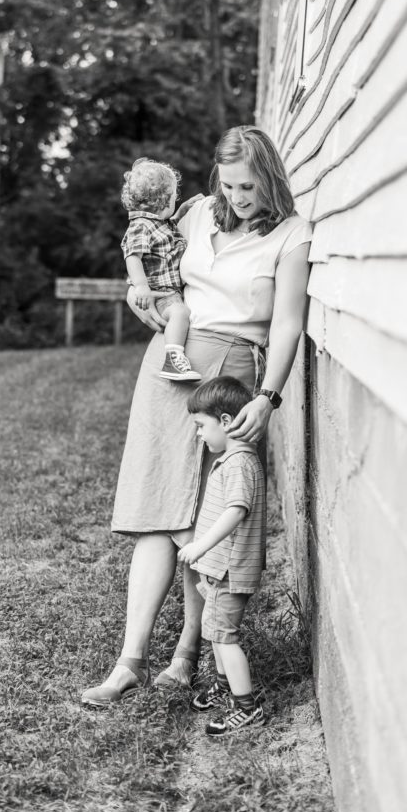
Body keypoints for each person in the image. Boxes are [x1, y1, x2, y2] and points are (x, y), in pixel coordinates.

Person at [81, 125, 311, 708]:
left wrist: (269, 396)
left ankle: (188, 651)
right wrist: (145, 302)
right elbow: (153, 269)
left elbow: (286, 324)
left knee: (203, 519)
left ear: (271, 179)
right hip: (169, 366)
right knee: (159, 506)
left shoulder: (289, 235)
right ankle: (129, 660)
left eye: (249, 185)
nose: (237, 197)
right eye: (229, 184)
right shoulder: (196, 216)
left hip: (231, 375)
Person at [178, 376, 266, 738]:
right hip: (220, 572)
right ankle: (222, 686)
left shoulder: (239, 463)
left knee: (225, 638)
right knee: (216, 634)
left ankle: (247, 707)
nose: (200, 434)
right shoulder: (232, 459)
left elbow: (236, 510)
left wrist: (201, 547)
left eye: (202, 426)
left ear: (227, 421)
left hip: (229, 571)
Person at [121, 158, 201, 382]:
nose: (177, 198)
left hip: (167, 291)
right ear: (163, 199)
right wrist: (141, 287)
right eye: (176, 196)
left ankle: (174, 356)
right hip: (158, 293)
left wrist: (182, 211)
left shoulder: (157, 224)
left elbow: (166, 233)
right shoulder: (140, 226)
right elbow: (133, 256)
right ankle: (173, 359)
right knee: (180, 313)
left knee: (180, 313)